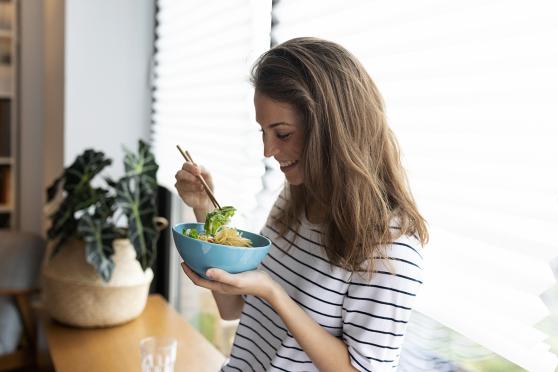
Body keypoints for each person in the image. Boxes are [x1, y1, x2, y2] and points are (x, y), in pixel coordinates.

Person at [174, 37, 428, 372]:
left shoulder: (390, 250)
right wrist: (204, 207)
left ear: (331, 130)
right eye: (263, 132)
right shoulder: (295, 199)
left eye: (281, 134)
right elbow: (233, 306)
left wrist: (274, 294)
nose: (267, 151)